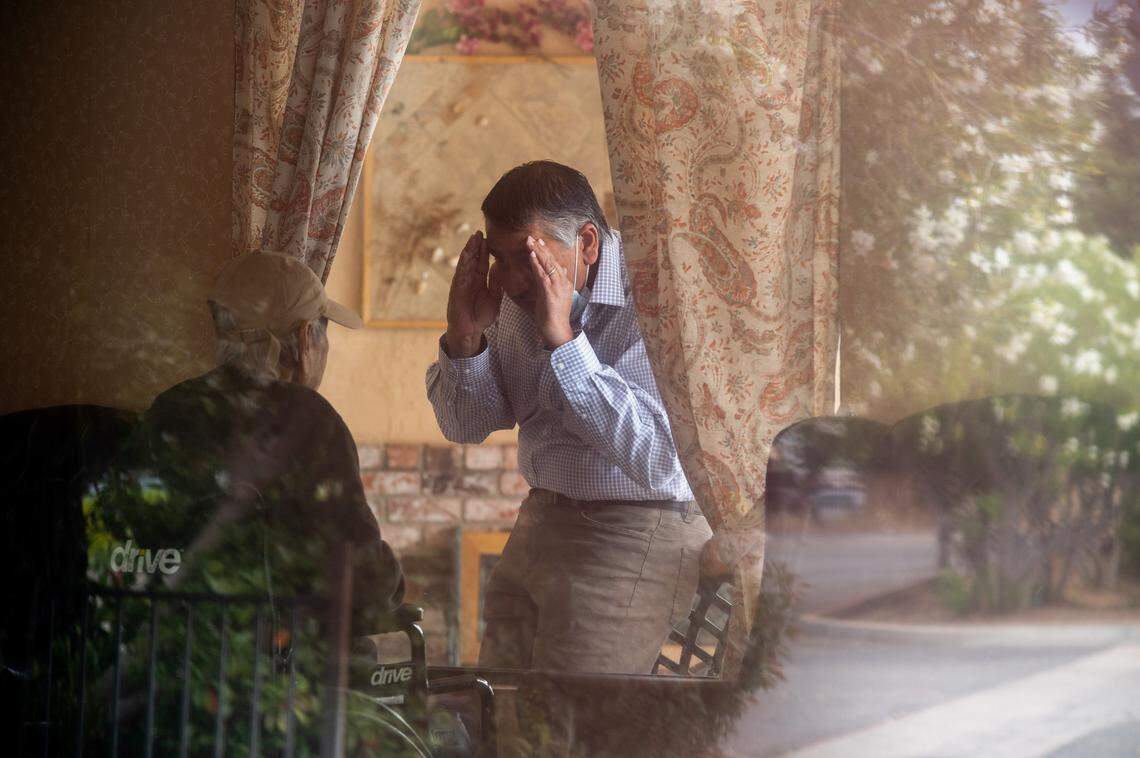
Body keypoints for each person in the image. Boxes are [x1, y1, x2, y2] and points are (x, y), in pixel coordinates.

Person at [426, 161, 711, 673]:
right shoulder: (510, 302)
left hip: (636, 529)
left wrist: (564, 342)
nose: (511, 281)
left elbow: (663, 462)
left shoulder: (659, 298)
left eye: (526, 257)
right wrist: (465, 339)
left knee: (569, 715)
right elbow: (466, 427)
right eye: (499, 259)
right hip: (539, 518)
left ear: (587, 243)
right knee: (495, 705)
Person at [92, 250, 405, 629]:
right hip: (267, 659)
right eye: (324, 332)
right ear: (306, 338)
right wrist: (391, 577)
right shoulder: (309, 422)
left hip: (163, 650)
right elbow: (362, 585)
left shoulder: (170, 406)